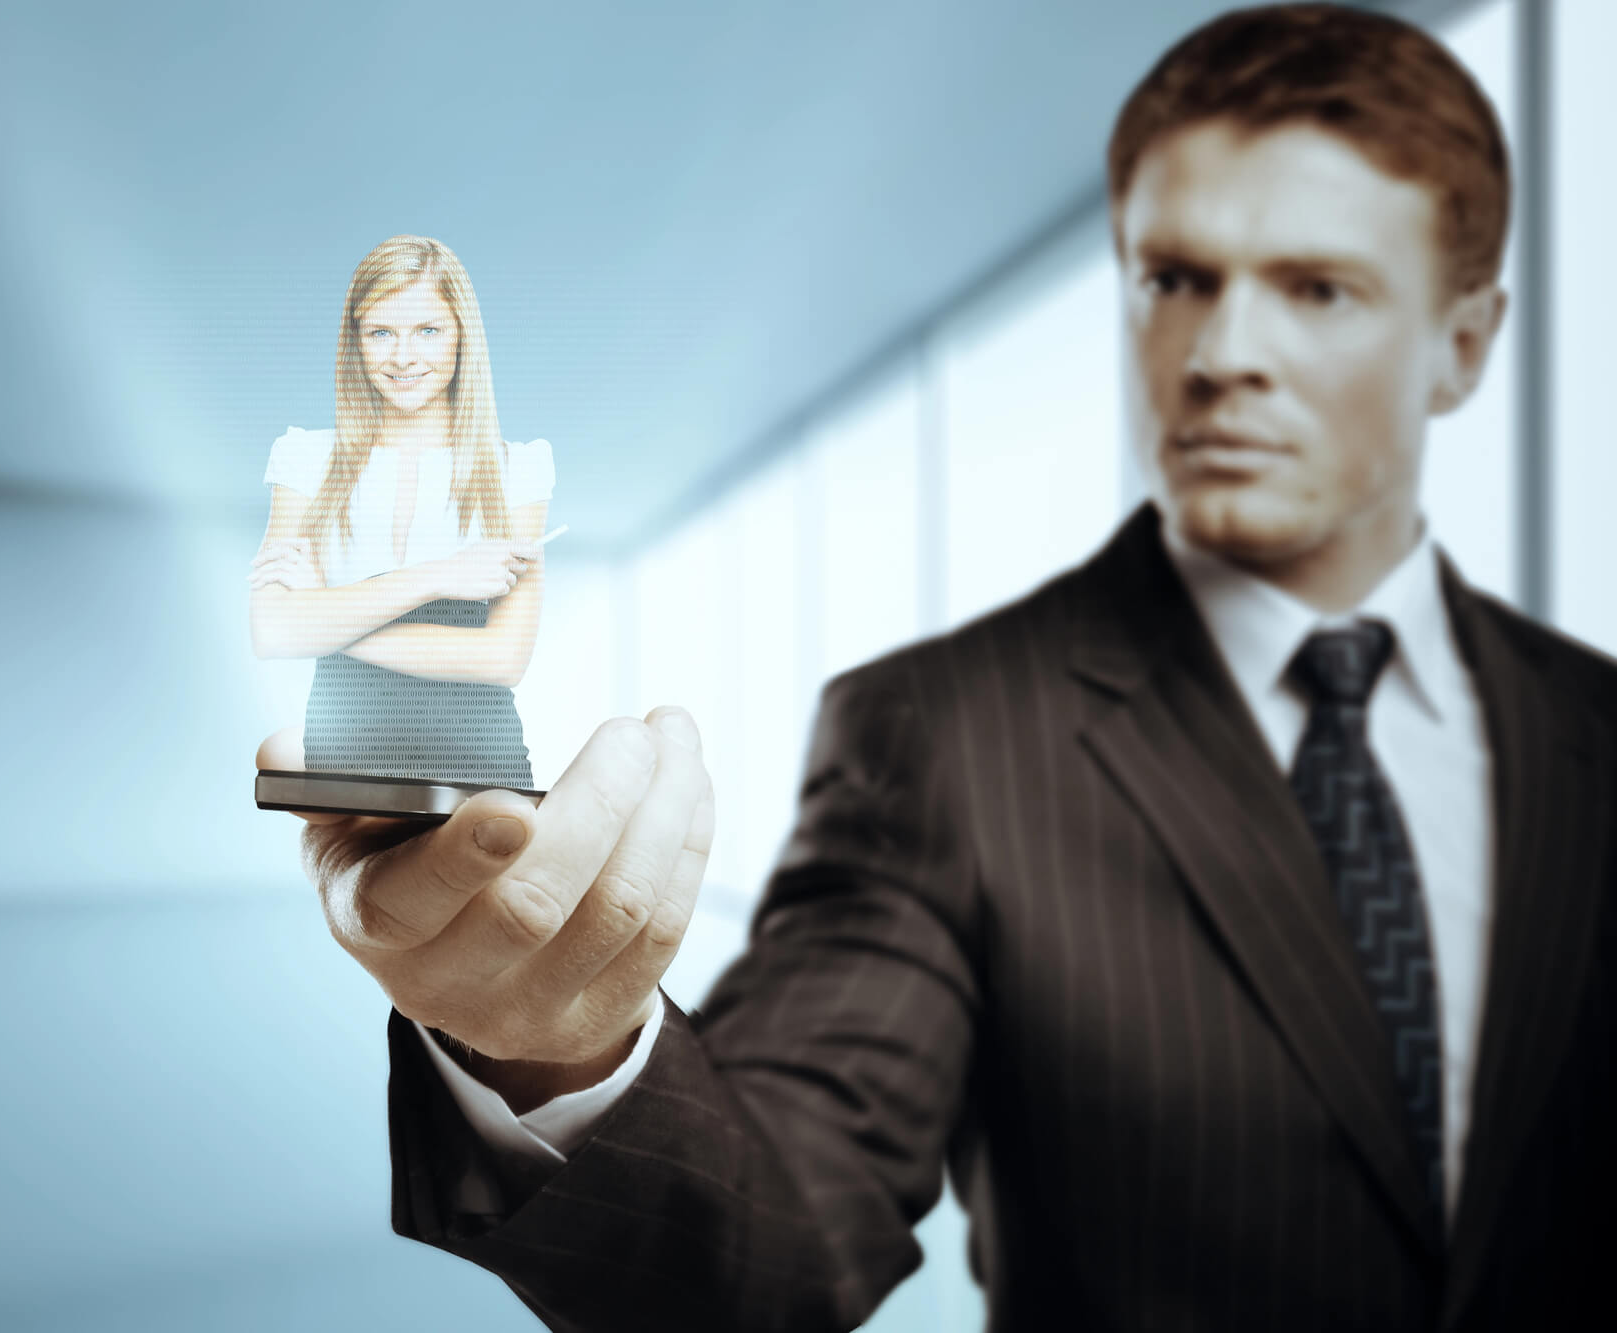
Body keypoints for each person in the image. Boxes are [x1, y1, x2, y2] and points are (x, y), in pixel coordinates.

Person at [291, 7, 1615, 1330]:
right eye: (1175, 280)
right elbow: (777, 1237)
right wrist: (557, 1048)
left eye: (1317, 288)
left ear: (1466, 341)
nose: (1219, 357)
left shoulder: (1594, 732)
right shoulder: (943, 732)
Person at [249, 235, 552, 790]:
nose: (404, 357)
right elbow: (271, 631)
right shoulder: (304, 457)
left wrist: (325, 619)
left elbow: (504, 659)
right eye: (381, 332)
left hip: (481, 763)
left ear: (462, 339)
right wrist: (443, 575)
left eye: (428, 331)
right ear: (355, 342)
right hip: (346, 759)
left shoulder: (519, 467)